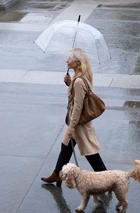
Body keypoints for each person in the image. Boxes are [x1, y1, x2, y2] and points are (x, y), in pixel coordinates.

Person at [41, 48, 107, 186]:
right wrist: (69, 83)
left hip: (79, 124)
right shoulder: (79, 79)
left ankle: (106, 179)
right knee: (66, 146)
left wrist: (71, 127)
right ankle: (57, 174)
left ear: (77, 63)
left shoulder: (78, 81)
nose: (67, 60)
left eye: (69, 59)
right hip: (76, 122)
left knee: (91, 153)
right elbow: (77, 97)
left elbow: (78, 106)